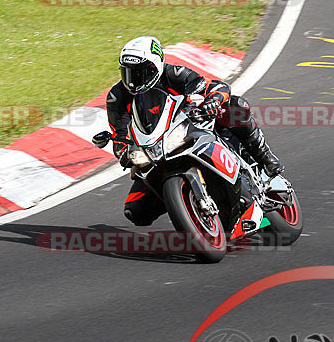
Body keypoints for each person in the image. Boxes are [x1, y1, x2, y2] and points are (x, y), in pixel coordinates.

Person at [106, 36, 284, 226]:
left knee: (234, 106)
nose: (134, 79)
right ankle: (186, 204)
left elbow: (214, 86)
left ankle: (265, 156)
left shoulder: (174, 73)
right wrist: (123, 151)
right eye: (129, 72)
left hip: (188, 127)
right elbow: (119, 134)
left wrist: (212, 101)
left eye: (142, 72)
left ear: (157, 65)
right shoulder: (117, 97)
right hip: (154, 150)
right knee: (135, 211)